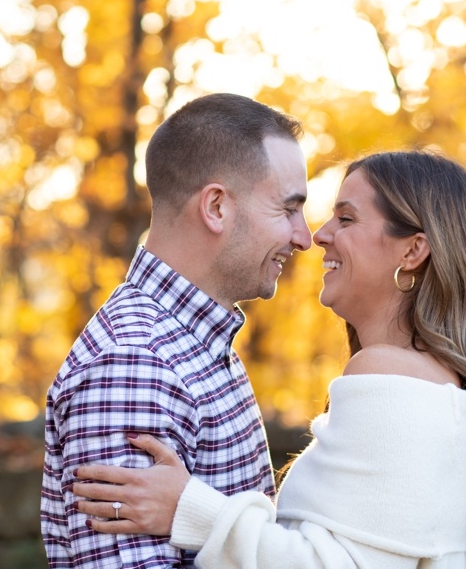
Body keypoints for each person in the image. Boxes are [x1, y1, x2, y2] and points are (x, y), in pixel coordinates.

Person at [71, 150, 466, 568]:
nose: (318, 235)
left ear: (413, 250)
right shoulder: (428, 382)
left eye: (347, 219)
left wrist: (191, 509)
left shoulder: (394, 377)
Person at [40, 92, 313, 567]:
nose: (304, 236)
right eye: (287, 209)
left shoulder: (196, 343)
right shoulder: (134, 365)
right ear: (216, 208)